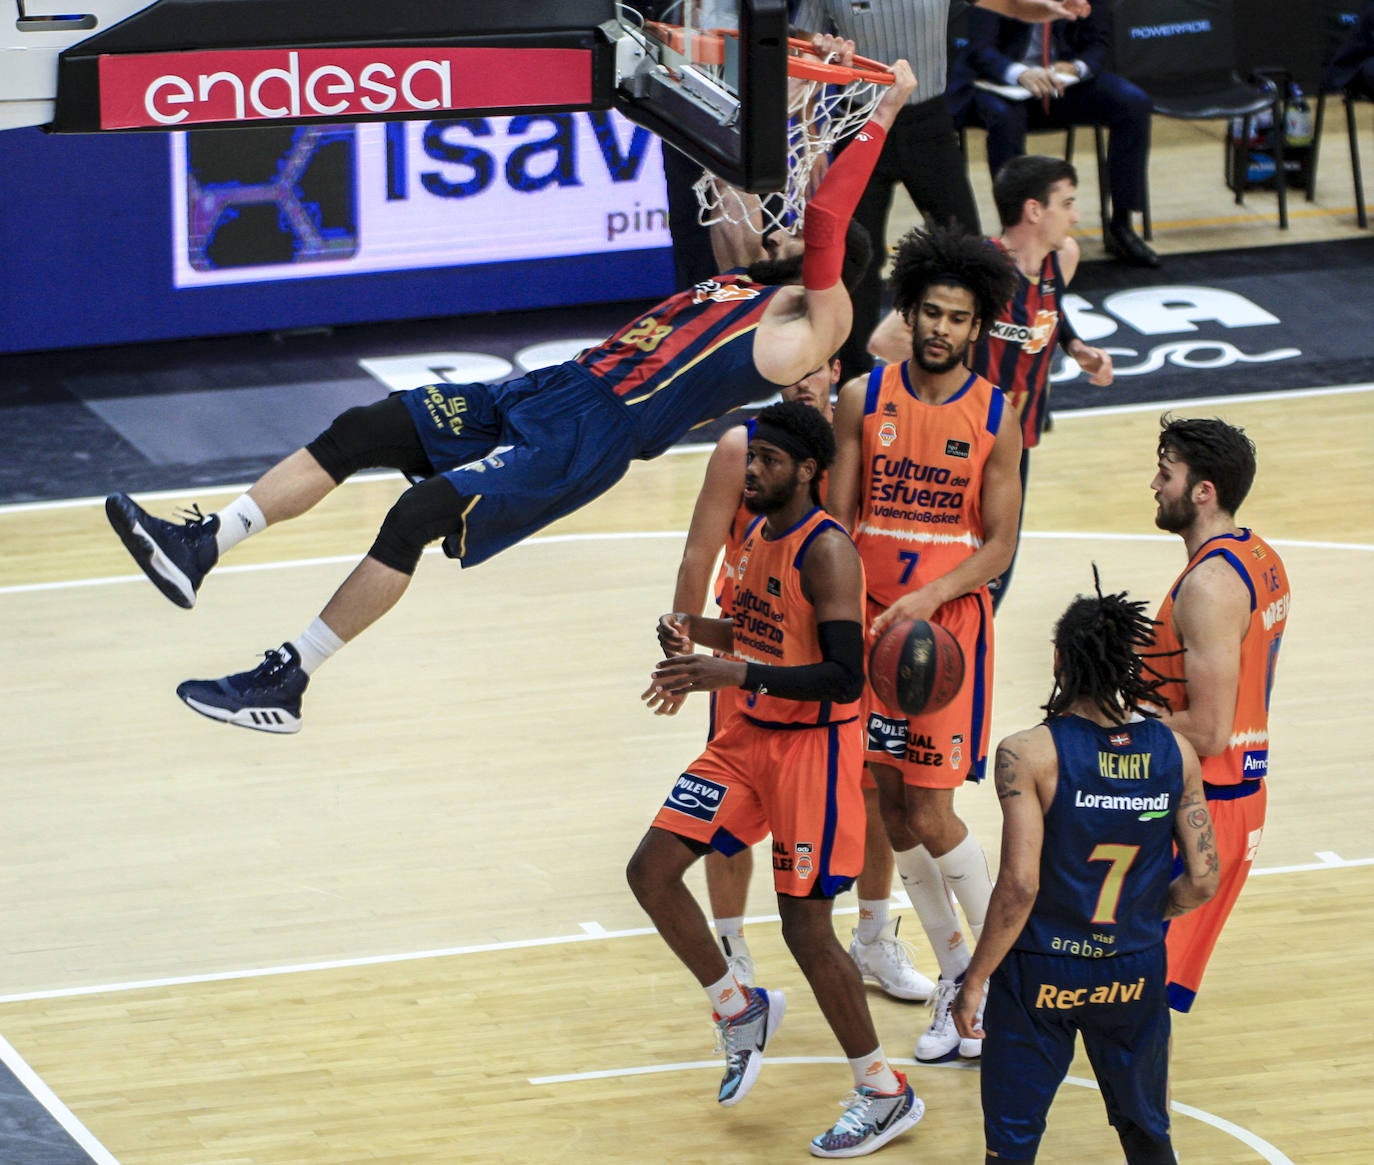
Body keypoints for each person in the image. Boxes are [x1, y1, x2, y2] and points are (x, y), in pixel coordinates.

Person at [101, 50, 917, 734]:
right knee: (363, 428)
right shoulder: (745, 282)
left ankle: (289, 678)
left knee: (416, 515)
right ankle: (203, 544)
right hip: (558, 387)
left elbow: (824, 215)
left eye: (799, 231)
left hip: (592, 435)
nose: (782, 224)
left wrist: (883, 109)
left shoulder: (819, 323)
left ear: (831, 264)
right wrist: (788, 85)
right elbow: (735, 181)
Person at [627, 400, 925, 1159]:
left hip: (812, 752)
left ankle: (883, 1091)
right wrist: (696, 633)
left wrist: (735, 672)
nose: (751, 470)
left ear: (807, 470)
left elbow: (844, 674)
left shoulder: (828, 553)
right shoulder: (758, 534)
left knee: (805, 928)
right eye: (751, 457)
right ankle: (738, 1008)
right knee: (650, 871)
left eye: (767, 460)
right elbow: (760, 629)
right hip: (747, 739)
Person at [648, 361, 935, 1001]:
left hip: (832, 653)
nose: (803, 380)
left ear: (836, 364)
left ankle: (873, 939)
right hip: (752, 652)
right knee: (717, 823)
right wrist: (685, 644)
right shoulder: (744, 459)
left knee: (867, 797)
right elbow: (702, 555)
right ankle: (731, 955)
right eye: (791, 366)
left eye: (815, 366)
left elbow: (877, 541)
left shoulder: (863, 438)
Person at [827, 224, 1021, 1063]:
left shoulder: (997, 416)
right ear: (909, 312)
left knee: (932, 810)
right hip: (873, 629)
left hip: (945, 635)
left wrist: (932, 596)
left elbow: (999, 544)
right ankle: (955, 975)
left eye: (958, 317)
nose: (942, 328)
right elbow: (835, 523)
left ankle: (1000, 972)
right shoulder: (861, 399)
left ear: (979, 326)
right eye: (931, 312)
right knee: (887, 802)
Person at [951, 572, 1219, 1165]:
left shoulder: (1028, 753)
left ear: (1058, 659)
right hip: (1133, 966)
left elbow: (1020, 885)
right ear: (1130, 664)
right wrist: (1144, 916)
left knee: (1011, 1145)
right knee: (1146, 1133)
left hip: (1040, 970)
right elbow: (1204, 879)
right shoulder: (1176, 752)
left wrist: (974, 979)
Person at [789, 0, 1093, 384]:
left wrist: (1049, 8)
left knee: (969, 249)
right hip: (859, 124)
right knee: (857, 260)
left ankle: (972, 369)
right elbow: (802, 51)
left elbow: (1006, 4)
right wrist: (811, 133)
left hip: (929, 127)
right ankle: (852, 381)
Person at [867, 155, 1114, 611]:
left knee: (995, 568)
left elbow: (1052, 311)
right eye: (1067, 203)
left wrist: (1076, 346)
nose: (1076, 215)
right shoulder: (980, 270)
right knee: (943, 561)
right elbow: (885, 341)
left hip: (1015, 439)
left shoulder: (1062, 259)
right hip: (960, 438)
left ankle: (963, 646)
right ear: (1034, 210)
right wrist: (951, 389)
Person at [1147, 416, 1291, 1015]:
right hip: (1236, 795)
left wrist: (1114, 722)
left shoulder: (1209, 585)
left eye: (1166, 473)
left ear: (1203, 490)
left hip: (1203, 802)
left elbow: (1208, 729)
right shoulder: (1261, 557)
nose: (1155, 485)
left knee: (1131, 991)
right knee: (1139, 997)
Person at [948, 4, 1159, 267]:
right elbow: (981, 50)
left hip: (1062, 84)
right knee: (1004, 118)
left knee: (1133, 103)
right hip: (999, 82)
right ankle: (1016, 232)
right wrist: (1021, 74)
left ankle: (1121, 225)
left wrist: (1076, 67)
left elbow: (1099, 43)